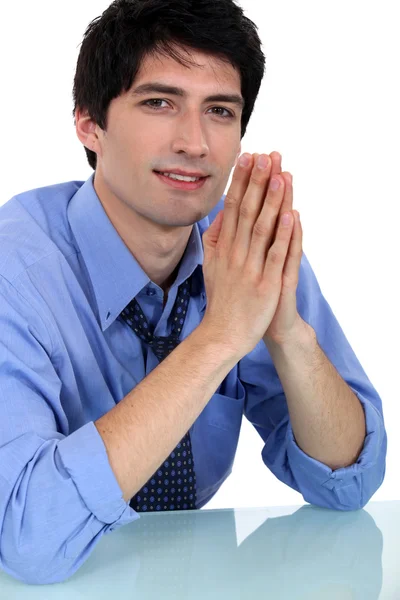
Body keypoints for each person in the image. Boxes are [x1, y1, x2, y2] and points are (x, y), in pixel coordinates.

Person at [0, 0, 386, 586]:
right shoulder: (15, 272)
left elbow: (348, 479)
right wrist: (221, 338)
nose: (195, 142)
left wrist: (285, 331)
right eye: (159, 102)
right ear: (88, 123)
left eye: (220, 110)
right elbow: (27, 536)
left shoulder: (242, 248)